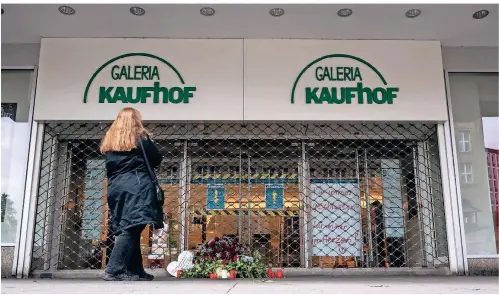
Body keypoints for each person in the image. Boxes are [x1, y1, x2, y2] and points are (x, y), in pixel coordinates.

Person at [100, 107, 164, 281]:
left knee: (129, 226)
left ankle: (135, 270)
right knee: (132, 227)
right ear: (136, 120)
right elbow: (157, 158)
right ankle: (114, 269)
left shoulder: (111, 141)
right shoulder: (140, 138)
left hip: (116, 189)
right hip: (137, 187)